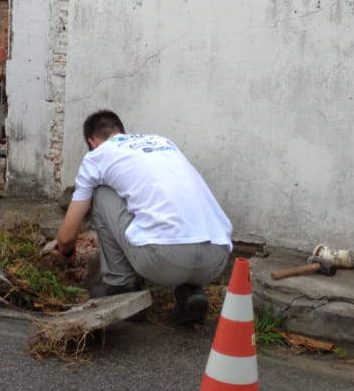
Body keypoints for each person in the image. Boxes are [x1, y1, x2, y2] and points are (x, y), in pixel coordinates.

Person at [52, 110, 233, 325]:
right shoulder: (163, 142)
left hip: (164, 260)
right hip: (216, 257)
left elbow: (65, 237)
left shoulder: (97, 157)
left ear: (92, 142)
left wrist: (66, 251)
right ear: (122, 133)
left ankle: (121, 287)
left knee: (100, 193)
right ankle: (191, 292)